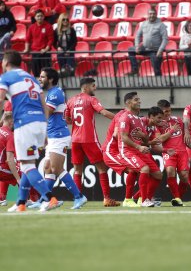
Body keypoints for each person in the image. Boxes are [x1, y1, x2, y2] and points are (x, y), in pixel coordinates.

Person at [0, 50, 61, 212]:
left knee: (26, 165)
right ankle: (21, 202)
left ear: (5, 63)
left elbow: (0, 100)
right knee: (29, 163)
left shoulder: (6, 77)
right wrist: (45, 130)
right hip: (40, 124)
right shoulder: (32, 79)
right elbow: (43, 103)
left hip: (24, 125)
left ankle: (50, 198)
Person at [37, 67, 87, 210]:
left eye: (42, 77)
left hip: (59, 135)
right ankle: (44, 200)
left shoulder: (56, 93)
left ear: (51, 79)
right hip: (53, 135)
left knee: (55, 167)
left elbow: (47, 112)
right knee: (47, 168)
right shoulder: (51, 93)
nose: (40, 79)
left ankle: (79, 197)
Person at [65, 77, 119, 207]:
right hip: (89, 139)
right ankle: (106, 198)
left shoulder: (71, 101)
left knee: (77, 170)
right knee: (102, 168)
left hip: (75, 140)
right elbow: (103, 112)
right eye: (93, 86)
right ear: (85, 87)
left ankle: (77, 199)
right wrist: (119, 118)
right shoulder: (91, 99)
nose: (95, 88)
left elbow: (67, 120)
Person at [157, 99, 191, 206]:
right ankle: (177, 198)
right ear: (160, 112)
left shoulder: (178, 120)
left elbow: (186, 139)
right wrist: (171, 131)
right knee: (170, 171)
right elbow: (159, 139)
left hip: (182, 152)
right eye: (166, 112)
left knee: (184, 176)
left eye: (169, 111)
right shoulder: (157, 124)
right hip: (169, 152)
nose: (168, 113)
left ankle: (178, 199)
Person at [118, 92, 163, 207]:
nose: (139, 101)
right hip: (127, 151)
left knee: (158, 174)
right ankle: (142, 200)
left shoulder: (138, 119)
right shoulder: (125, 117)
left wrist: (144, 138)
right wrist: (139, 146)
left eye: (139, 99)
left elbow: (145, 138)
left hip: (139, 150)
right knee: (144, 168)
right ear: (128, 102)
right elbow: (123, 137)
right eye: (136, 100)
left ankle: (137, 198)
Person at [128, 8, 168, 76]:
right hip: (145, 48)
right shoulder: (144, 24)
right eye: (150, 14)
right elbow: (138, 35)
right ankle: (135, 69)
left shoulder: (161, 25)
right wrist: (137, 46)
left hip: (155, 50)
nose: (152, 15)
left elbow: (165, 39)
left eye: (153, 14)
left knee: (156, 69)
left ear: (156, 15)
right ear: (148, 15)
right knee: (131, 50)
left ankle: (160, 83)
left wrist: (160, 50)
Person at [23, 9, 54, 78]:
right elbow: (27, 39)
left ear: (44, 17)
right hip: (35, 53)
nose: (39, 17)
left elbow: (51, 40)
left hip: (45, 53)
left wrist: (46, 49)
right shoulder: (31, 27)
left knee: (46, 73)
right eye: (38, 16)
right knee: (36, 72)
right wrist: (26, 48)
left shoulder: (48, 26)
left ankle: (46, 87)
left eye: (41, 16)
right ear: (35, 17)